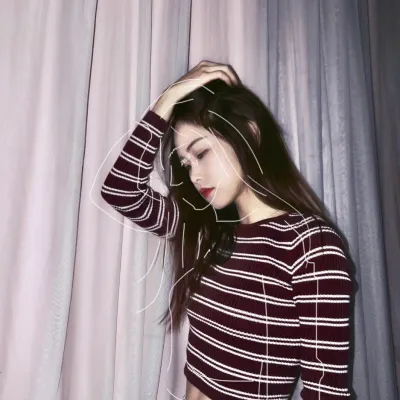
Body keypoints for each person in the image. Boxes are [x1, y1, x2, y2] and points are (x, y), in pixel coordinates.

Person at [101, 60, 354, 400]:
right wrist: (167, 99)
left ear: (250, 133)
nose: (194, 175)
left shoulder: (310, 245)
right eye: (186, 163)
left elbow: (326, 392)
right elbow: (121, 190)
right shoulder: (207, 231)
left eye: (202, 153)